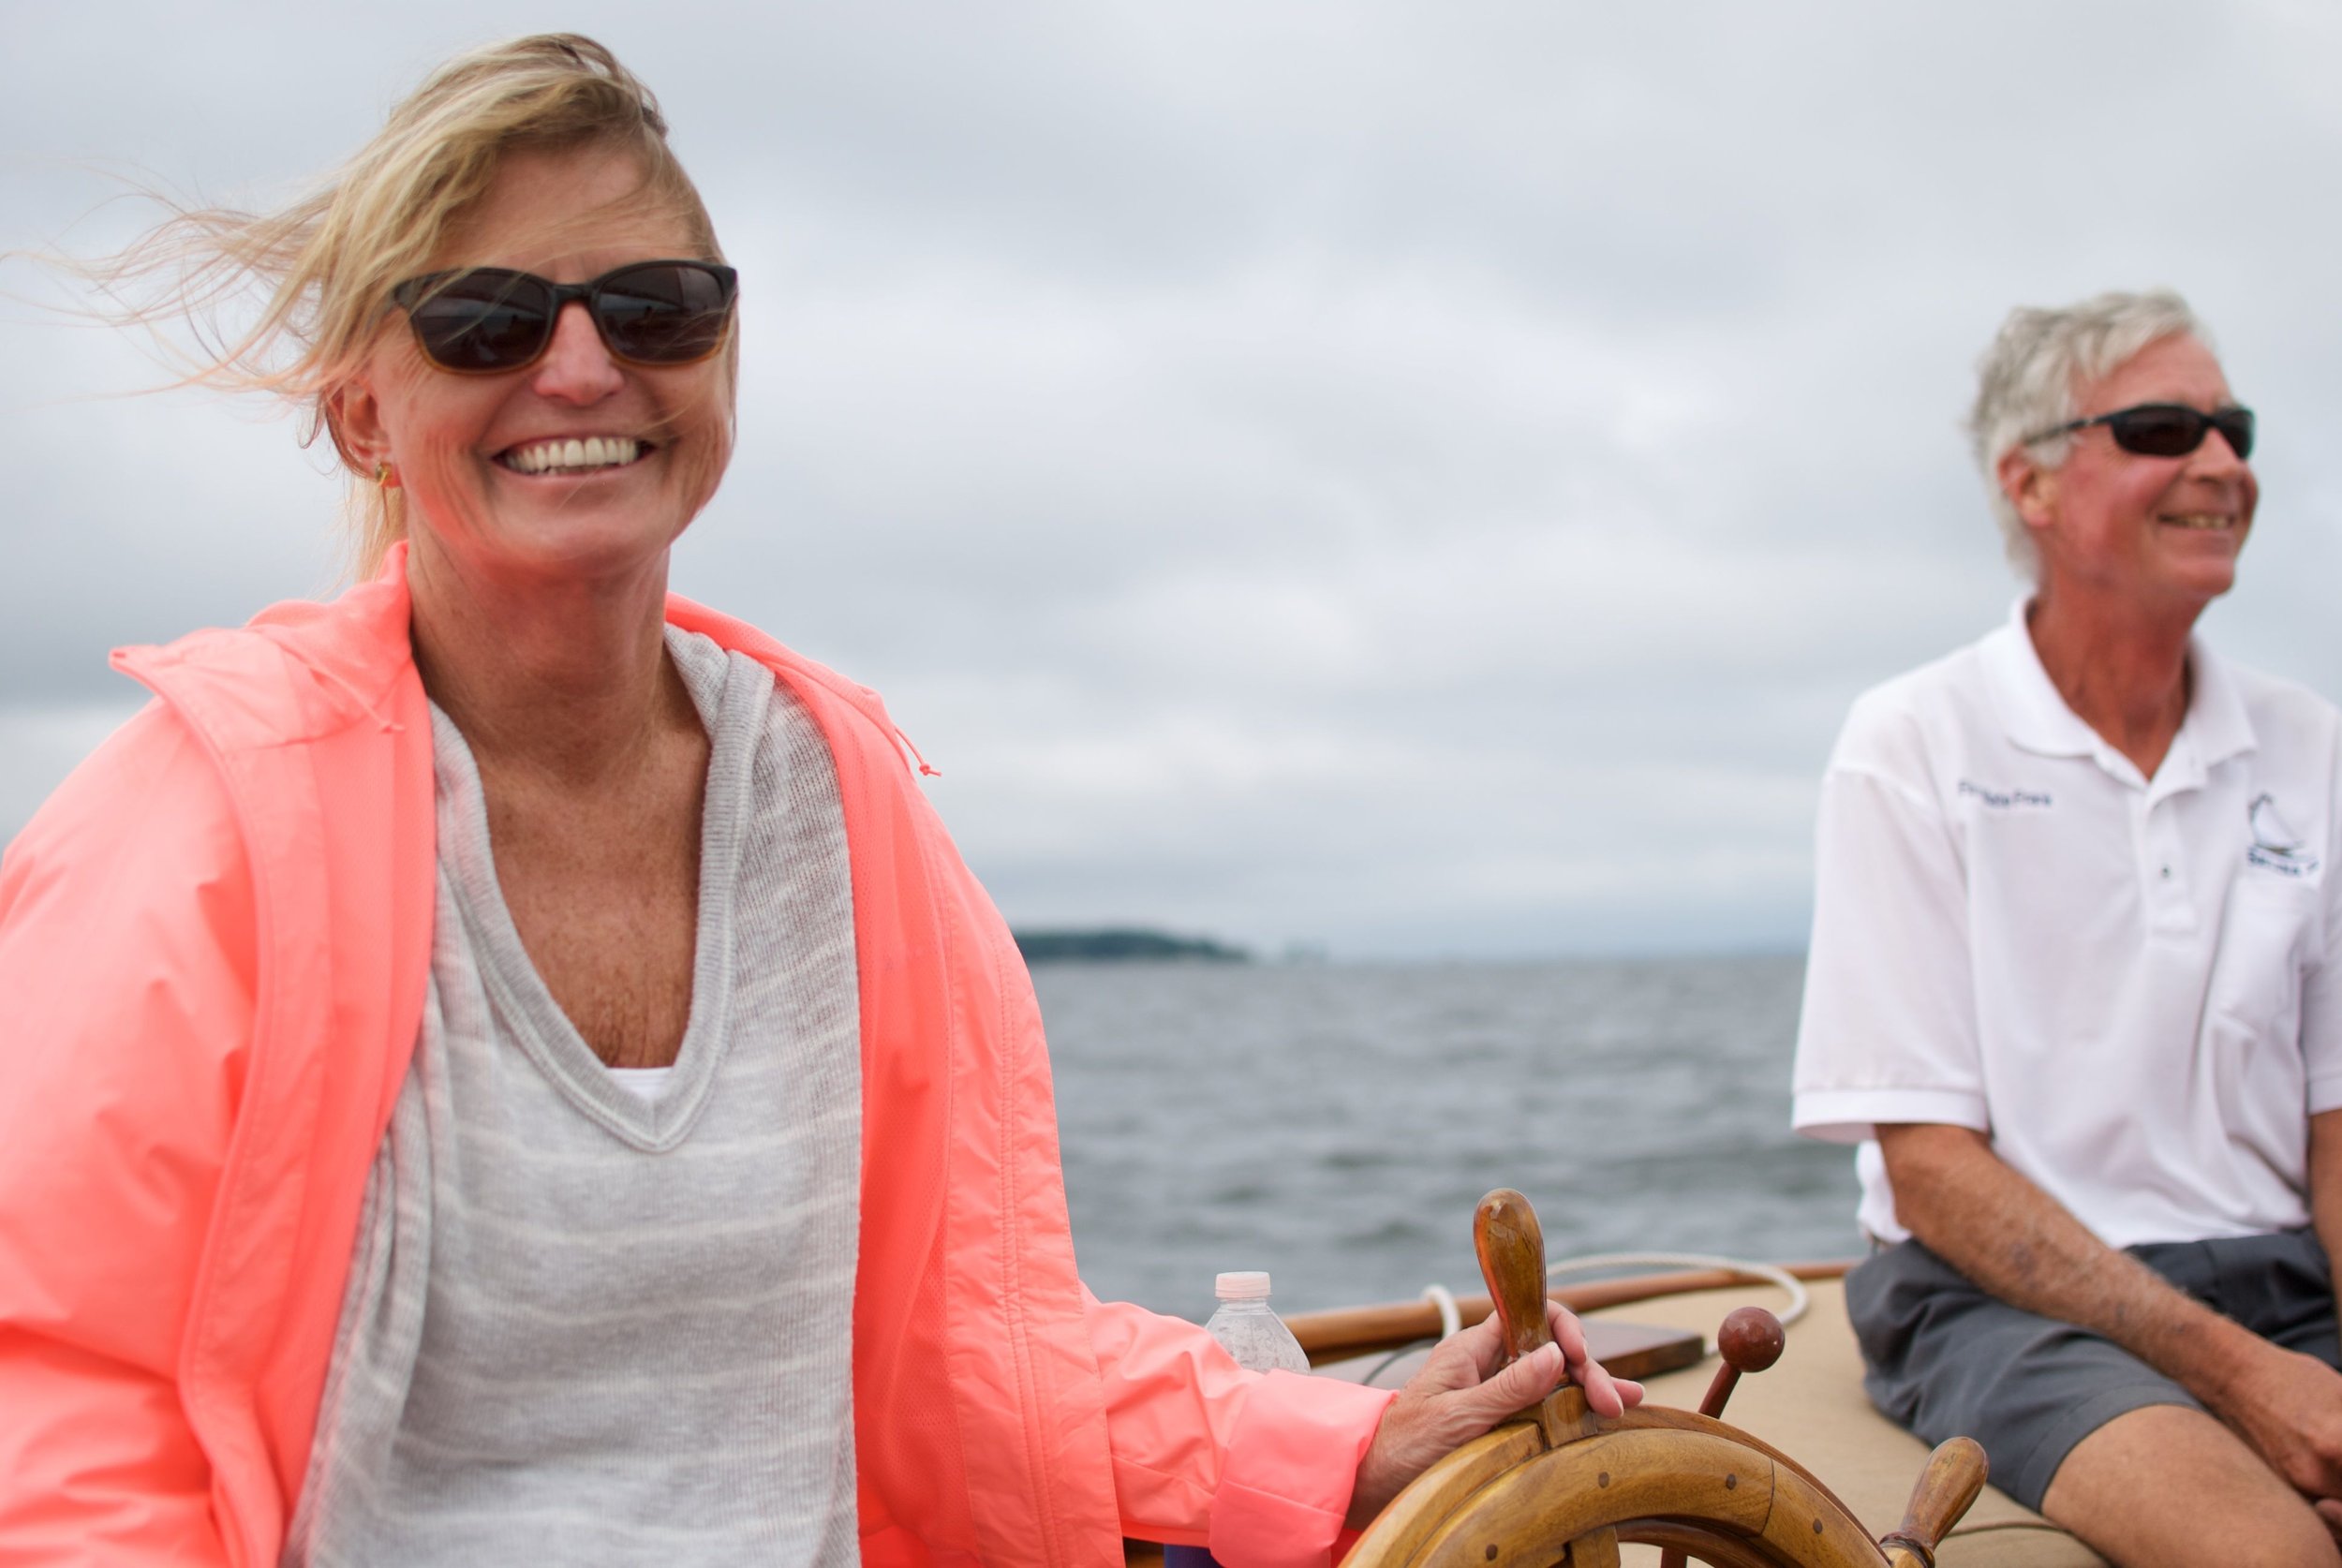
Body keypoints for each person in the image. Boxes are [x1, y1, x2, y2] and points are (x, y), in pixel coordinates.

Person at [0, 35, 1639, 1568]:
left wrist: (1337, 1440)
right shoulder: (204, 827)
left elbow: (976, 1343)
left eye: (654, 306)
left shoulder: (844, 818)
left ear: (723, 357)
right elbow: (59, 1414)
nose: (581, 367)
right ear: (362, 405)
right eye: (485, 320)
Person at [1791, 289, 2342, 1567]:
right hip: (1997, 1299)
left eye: (2232, 425)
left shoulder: (2315, 747)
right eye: (2163, 427)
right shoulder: (1914, 742)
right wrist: (2254, 1381)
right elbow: (1929, 1164)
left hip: (2284, 1278)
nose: (2222, 462)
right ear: (2029, 484)